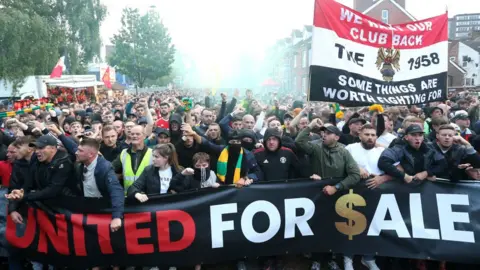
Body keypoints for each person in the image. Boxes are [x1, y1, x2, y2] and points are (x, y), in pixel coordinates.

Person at [74, 138, 124, 231]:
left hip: (103, 211)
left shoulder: (105, 168)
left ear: (90, 154)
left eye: (80, 150)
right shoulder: (80, 165)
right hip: (87, 209)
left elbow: (116, 190)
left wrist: (117, 217)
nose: (76, 152)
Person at [113, 125, 153, 192]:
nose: (134, 136)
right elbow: (110, 169)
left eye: (137, 134)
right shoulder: (124, 153)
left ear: (144, 136)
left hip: (147, 197)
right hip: (128, 197)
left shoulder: (153, 153)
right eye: (132, 134)